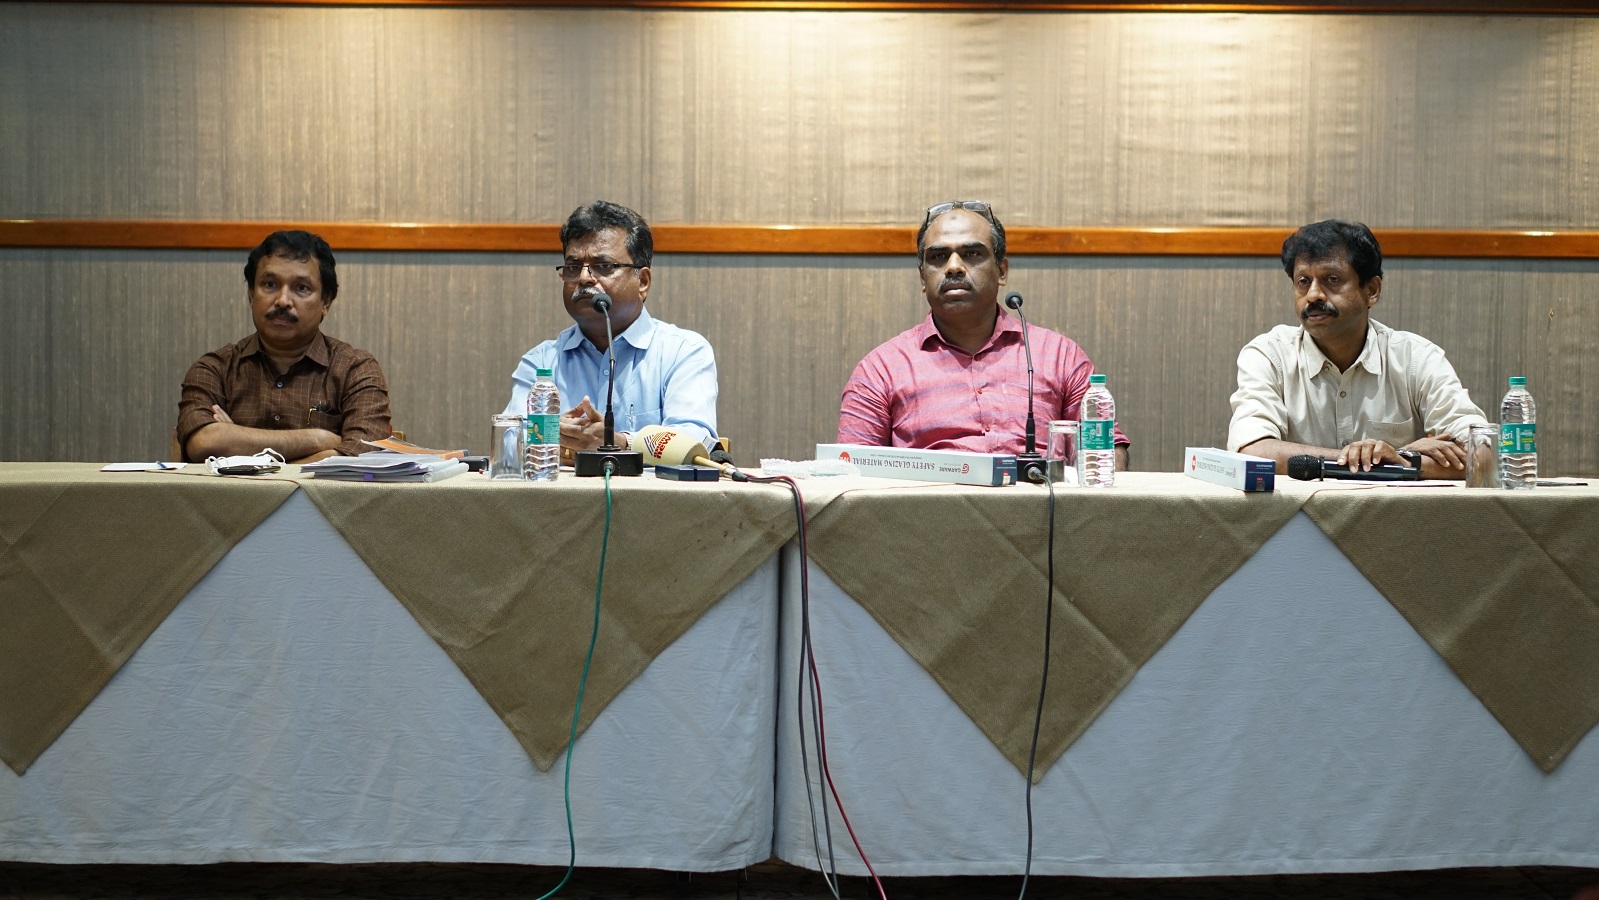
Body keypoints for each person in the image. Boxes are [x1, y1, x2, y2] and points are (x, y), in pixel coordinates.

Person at [838, 200, 1129, 466]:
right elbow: (850, 471)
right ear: (922, 278)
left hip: (1042, 506)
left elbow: (1107, 455)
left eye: (972, 254)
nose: (953, 267)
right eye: (938, 256)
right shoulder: (881, 370)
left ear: (1002, 271)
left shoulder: (1060, 356)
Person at [1228, 219, 1487, 478]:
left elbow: (1483, 454)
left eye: (1331, 279)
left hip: (1392, 506)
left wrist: (1406, 460)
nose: (1313, 295)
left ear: (1371, 290)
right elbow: (1253, 452)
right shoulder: (1269, 356)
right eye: (1303, 281)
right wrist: (1386, 458)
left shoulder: (1416, 359)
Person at [501, 201, 718, 460]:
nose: (584, 278)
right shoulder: (542, 362)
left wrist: (621, 443)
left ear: (643, 281)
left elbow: (694, 439)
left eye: (603, 266)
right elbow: (507, 445)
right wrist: (553, 437)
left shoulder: (683, 352)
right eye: (573, 267)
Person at [177, 230, 391, 464]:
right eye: (270, 284)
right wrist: (319, 440)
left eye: (301, 288)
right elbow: (203, 442)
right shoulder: (215, 369)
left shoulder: (356, 370)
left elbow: (362, 458)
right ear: (251, 294)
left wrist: (236, 450)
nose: (283, 300)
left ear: (326, 301)